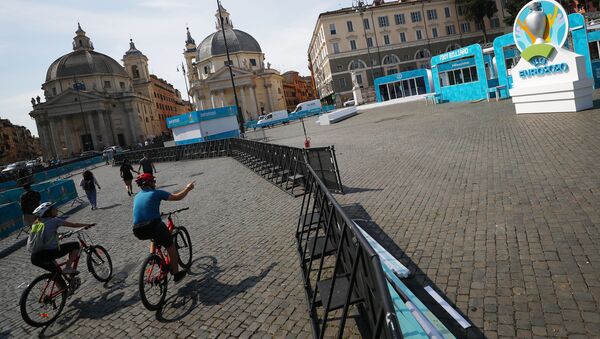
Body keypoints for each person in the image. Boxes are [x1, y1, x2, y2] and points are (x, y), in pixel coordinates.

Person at [132, 173, 194, 282]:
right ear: (149, 183)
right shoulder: (156, 193)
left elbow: (144, 209)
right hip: (153, 225)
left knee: (153, 236)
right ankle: (176, 274)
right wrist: (188, 188)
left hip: (137, 229)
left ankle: (153, 256)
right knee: (170, 246)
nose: (155, 184)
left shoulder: (136, 196)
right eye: (153, 181)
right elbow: (177, 197)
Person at [29, 202, 95, 278]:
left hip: (36, 256)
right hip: (50, 252)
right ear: (48, 213)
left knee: (56, 275)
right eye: (54, 209)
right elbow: (74, 225)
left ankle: (63, 288)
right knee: (75, 245)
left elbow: (44, 236)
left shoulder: (36, 224)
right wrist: (87, 225)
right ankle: (67, 268)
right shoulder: (54, 221)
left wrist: (59, 236)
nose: (56, 210)